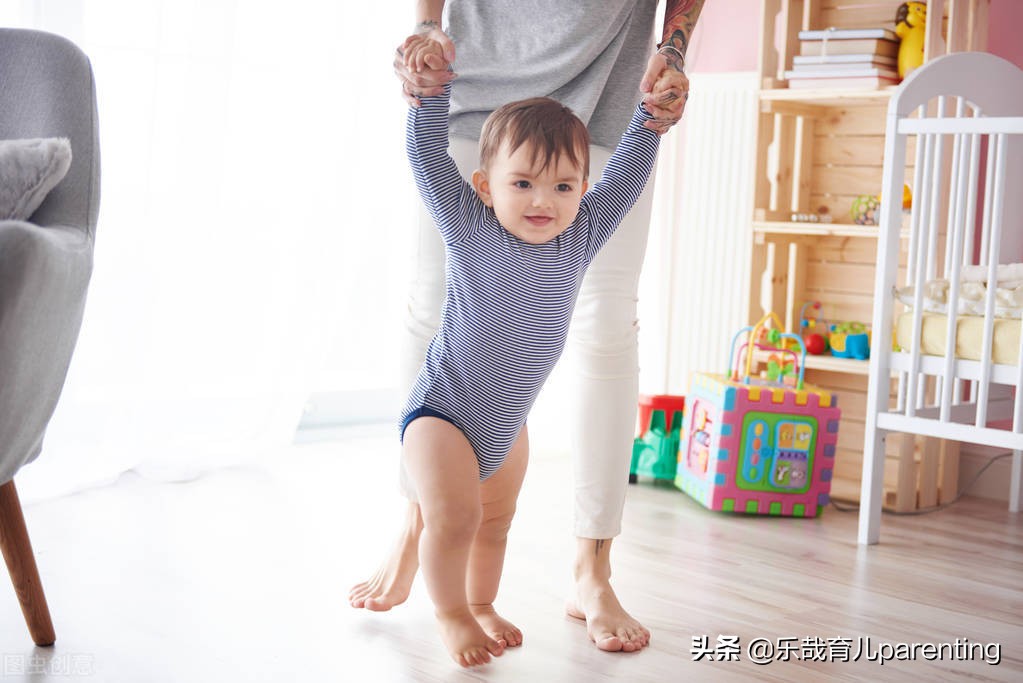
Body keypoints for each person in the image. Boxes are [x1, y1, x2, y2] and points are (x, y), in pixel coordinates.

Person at [350, 0, 707, 655]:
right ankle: (450, 612)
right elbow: (429, 158)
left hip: (504, 426)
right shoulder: (467, 223)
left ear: (581, 190)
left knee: (493, 524)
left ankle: (482, 603)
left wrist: (650, 121)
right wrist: (428, 95)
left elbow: (624, 174)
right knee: (454, 518)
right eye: (523, 184)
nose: (544, 201)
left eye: (564, 187)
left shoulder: (582, 234)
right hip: (444, 417)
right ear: (485, 185)